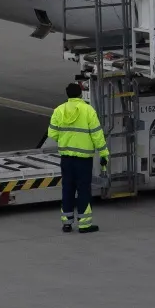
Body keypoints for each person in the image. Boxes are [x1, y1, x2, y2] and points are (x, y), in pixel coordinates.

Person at [45, 82, 110, 233]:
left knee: (67, 189)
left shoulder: (59, 110)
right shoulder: (88, 110)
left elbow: (52, 134)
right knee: (83, 190)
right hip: (83, 159)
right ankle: (84, 224)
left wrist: (66, 140)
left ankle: (67, 222)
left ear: (67, 95)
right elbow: (97, 135)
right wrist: (103, 153)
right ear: (81, 94)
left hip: (66, 159)